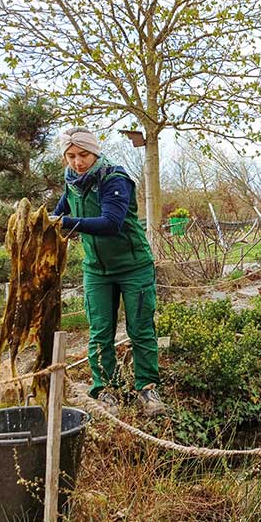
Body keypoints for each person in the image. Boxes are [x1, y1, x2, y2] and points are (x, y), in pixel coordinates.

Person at [53, 127, 166, 417]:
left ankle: (147, 387)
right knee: (100, 330)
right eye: (71, 156)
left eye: (83, 155)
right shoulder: (72, 182)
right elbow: (58, 213)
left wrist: (65, 222)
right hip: (96, 270)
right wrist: (49, 221)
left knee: (140, 328)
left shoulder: (115, 179)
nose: (77, 162)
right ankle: (105, 388)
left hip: (133, 267)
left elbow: (110, 223)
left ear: (95, 153)